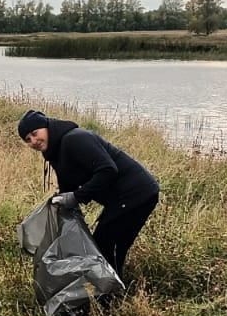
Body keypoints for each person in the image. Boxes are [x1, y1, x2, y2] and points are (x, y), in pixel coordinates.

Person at [18, 109, 159, 285]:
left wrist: (77, 197)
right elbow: (67, 183)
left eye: (34, 133)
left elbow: (108, 170)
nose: (33, 141)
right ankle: (113, 290)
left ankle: (109, 296)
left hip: (137, 193)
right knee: (112, 245)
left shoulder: (75, 139)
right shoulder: (54, 152)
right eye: (27, 140)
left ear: (46, 126)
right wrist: (61, 205)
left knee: (105, 244)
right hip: (121, 198)